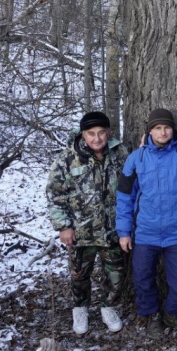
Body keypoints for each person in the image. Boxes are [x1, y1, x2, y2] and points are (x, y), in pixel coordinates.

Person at [117, 108, 177, 339]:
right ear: (149, 131)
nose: (163, 132)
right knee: (143, 280)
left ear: (173, 129)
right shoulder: (137, 159)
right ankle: (152, 316)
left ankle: (172, 313)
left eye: (167, 128)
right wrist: (124, 231)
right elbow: (124, 198)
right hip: (145, 233)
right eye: (157, 128)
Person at [47, 111, 128, 336]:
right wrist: (64, 226)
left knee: (116, 274)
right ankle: (80, 308)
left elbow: (134, 182)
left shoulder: (120, 153)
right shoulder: (67, 158)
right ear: (83, 134)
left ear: (109, 132)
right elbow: (55, 194)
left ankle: (108, 307)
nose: (97, 138)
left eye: (101, 132)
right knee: (79, 274)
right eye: (91, 133)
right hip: (81, 230)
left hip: (113, 229)